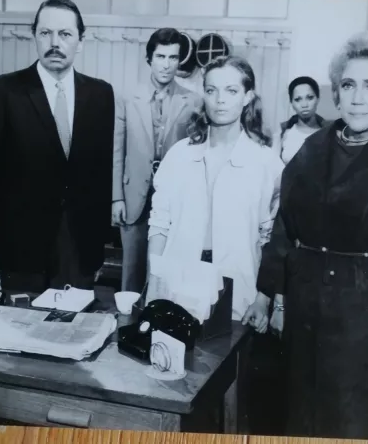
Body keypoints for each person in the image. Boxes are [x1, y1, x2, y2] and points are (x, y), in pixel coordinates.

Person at [246, 31, 368, 440]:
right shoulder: (312, 149)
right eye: (348, 85)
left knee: (356, 426)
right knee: (300, 420)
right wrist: (267, 294)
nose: (358, 98)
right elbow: (283, 229)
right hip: (306, 320)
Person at [0, 0, 115, 293]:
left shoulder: (100, 95)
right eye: (46, 33)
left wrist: (97, 251)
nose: (54, 43)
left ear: (80, 41)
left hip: (78, 254)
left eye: (65, 34)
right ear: (34, 36)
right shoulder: (3, 92)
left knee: (73, 336)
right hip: (17, 255)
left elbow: (100, 177)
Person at [146, 54, 284, 323]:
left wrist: (263, 299)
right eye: (212, 90)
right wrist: (153, 283)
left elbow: (272, 242)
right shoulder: (179, 156)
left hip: (239, 289)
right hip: (178, 285)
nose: (220, 99)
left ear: (247, 97)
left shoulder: (266, 163)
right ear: (204, 95)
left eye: (231, 91)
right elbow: (160, 227)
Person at [112, 27, 201, 293]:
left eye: (173, 58)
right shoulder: (127, 97)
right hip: (134, 196)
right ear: (149, 58)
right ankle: (128, 328)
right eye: (161, 56)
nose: (167, 64)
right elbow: (117, 150)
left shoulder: (193, 100)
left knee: (166, 273)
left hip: (175, 200)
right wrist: (116, 197)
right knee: (132, 274)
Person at [277, 76, 331, 164]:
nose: (304, 104)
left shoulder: (329, 134)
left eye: (310, 97)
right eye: (298, 99)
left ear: (318, 99)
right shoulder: (283, 133)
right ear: (291, 103)